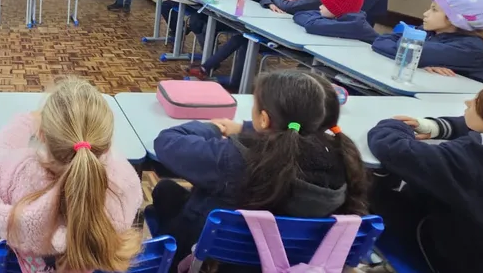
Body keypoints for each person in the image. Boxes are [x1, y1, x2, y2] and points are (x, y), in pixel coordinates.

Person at [152, 71, 367, 271]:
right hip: (286, 261)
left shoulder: (236, 159)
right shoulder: (343, 158)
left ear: (264, 119)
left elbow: (167, 142)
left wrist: (213, 128)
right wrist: (246, 128)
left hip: (215, 256)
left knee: (165, 190)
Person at [0, 77, 143, 273]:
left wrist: (27, 120)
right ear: (106, 145)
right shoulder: (122, 187)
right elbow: (113, 162)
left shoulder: (16, 175)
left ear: (42, 134)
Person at [367, 86, 483, 272]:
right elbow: (474, 127)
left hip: (449, 256)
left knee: (370, 193)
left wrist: (395, 125)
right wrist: (438, 127)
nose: (467, 102)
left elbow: (390, 146)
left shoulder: (466, 158)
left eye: (477, 103)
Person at [186, 0, 280, 80]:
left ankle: (210, 66)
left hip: (249, 22)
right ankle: (209, 61)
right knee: (199, 20)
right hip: (236, 16)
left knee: (237, 38)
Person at [371, 0, 483, 81]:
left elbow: (406, 51)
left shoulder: (470, 47)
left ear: (455, 18)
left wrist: (415, 58)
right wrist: (418, 61)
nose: (425, 14)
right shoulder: (428, 32)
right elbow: (381, 40)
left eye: (434, 10)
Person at [293, 0, 380, 43]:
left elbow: (311, 25)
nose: (320, 7)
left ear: (337, 9)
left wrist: (318, 20)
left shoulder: (355, 25)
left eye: (325, 5)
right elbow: (299, 14)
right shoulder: (337, 16)